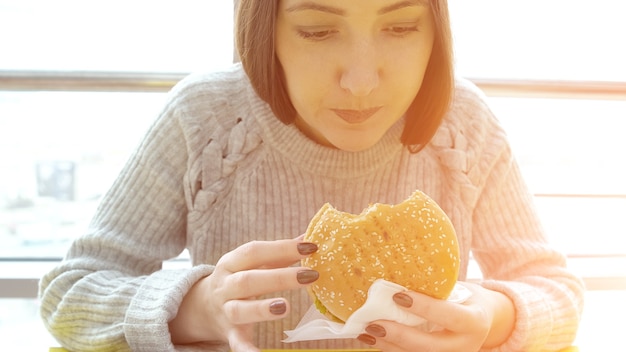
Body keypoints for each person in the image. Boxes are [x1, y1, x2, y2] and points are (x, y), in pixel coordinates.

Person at [39, 0, 585, 351]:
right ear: (266, 30)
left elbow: (555, 288)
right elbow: (70, 293)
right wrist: (196, 309)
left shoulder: (462, 124)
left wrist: (489, 318)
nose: (362, 81)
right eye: (318, 31)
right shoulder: (204, 117)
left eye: (400, 26)